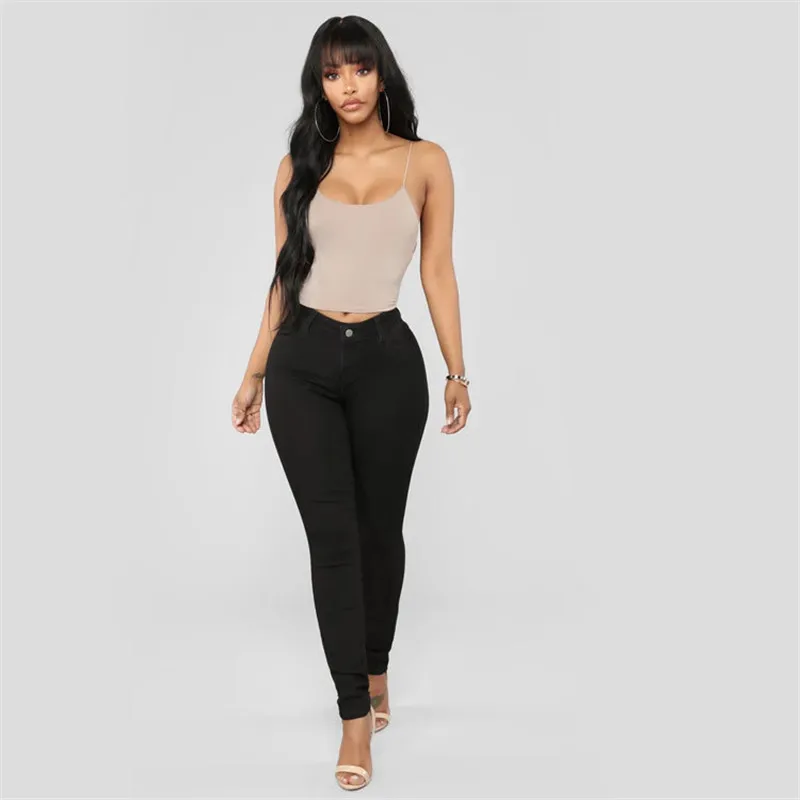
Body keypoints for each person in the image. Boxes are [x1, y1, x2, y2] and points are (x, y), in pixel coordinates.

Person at [230, 15, 471, 792]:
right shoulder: (296, 166)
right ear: (320, 85)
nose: (348, 86)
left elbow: (438, 270)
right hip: (301, 362)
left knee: (378, 534)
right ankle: (354, 718)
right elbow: (284, 278)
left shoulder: (425, 162)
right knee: (331, 540)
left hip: (387, 363)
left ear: (381, 73)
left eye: (360, 69)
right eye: (332, 74)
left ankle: (376, 665)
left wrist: (458, 371)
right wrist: (254, 373)